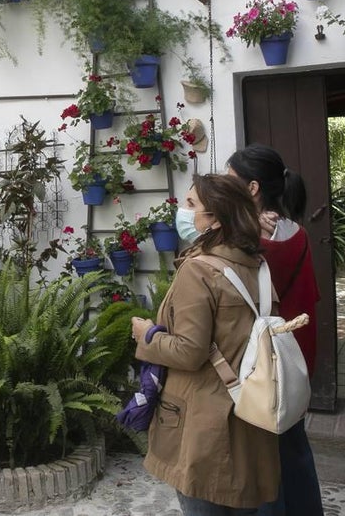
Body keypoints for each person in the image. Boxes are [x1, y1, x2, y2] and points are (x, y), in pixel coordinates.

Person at [131, 173, 280, 515]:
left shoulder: (199, 271)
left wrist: (146, 336)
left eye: (191, 204)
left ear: (215, 218)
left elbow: (189, 350)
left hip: (204, 421)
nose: (184, 212)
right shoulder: (256, 265)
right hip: (250, 412)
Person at [226, 144, 323, 516]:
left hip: (264, 359)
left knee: (264, 456)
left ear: (251, 188)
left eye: (230, 177)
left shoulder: (250, 240)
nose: (223, 183)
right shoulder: (295, 230)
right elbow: (309, 294)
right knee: (294, 445)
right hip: (295, 350)